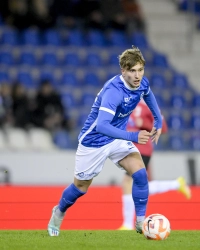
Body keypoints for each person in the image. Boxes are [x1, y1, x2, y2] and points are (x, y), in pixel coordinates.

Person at [47, 46, 163, 236]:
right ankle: (58, 212)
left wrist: (158, 120)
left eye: (140, 69)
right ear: (123, 71)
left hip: (116, 138)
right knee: (80, 188)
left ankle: (141, 223)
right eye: (132, 71)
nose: (137, 75)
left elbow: (148, 93)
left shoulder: (141, 82)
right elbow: (102, 126)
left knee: (141, 174)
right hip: (94, 142)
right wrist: (133, 136)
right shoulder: (113, 92)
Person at [118, 100, 191, 230]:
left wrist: (144, 124)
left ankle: (127, 224)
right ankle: (177, 184)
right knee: (138, 185)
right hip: (130, 147)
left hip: (142, 149)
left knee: (128, 182)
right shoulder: (128, 102)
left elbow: (163, 127)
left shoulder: (150, 105)